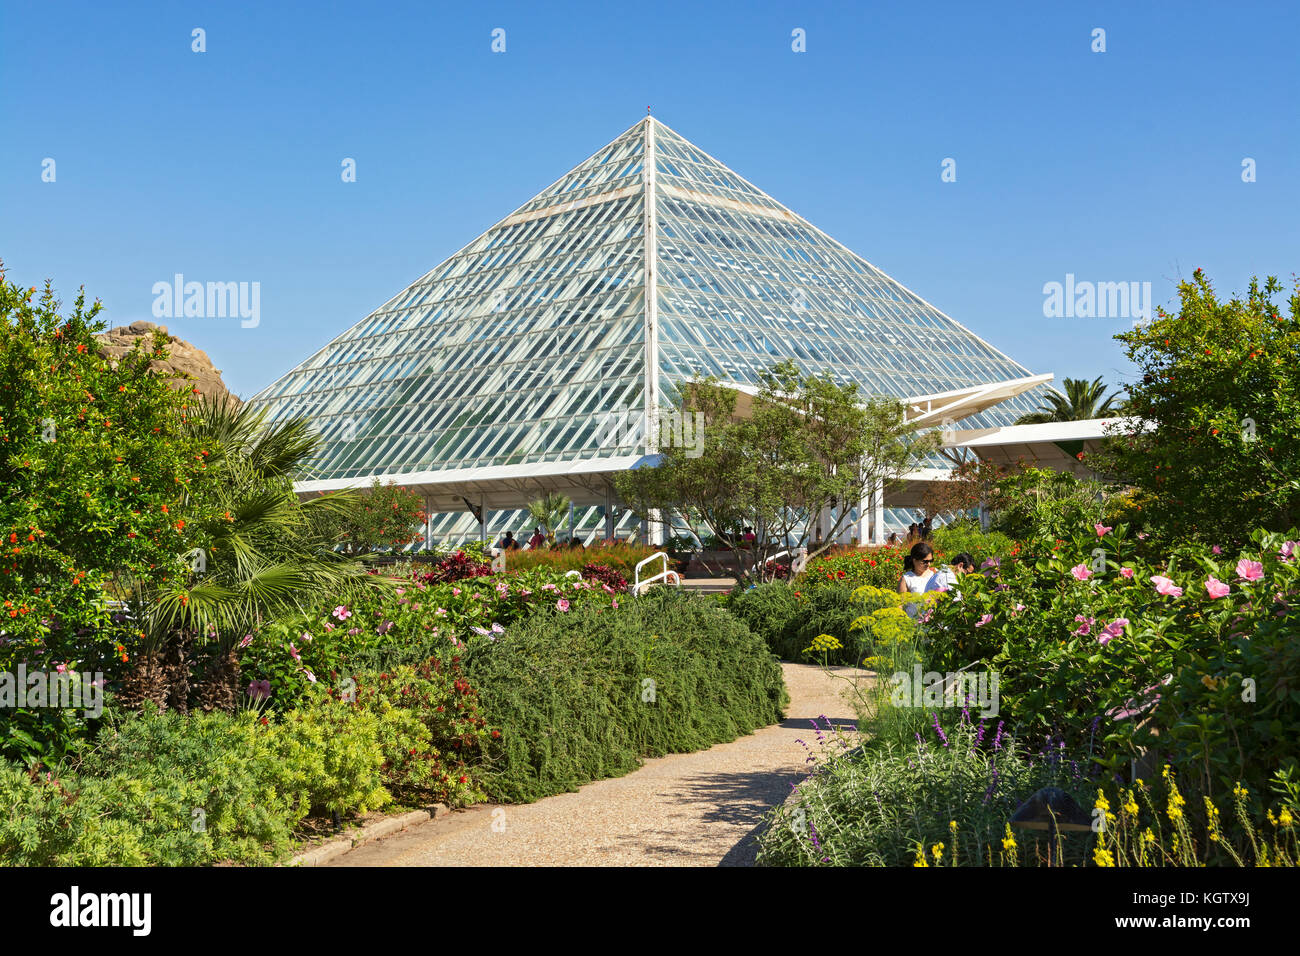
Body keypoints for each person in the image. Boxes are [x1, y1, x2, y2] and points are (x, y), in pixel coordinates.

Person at [898, 542, 936, 617]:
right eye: (925, 561)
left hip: (934, 624)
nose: (928, 564)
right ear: (914, 560)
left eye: (930, 561)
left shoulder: (934, 574)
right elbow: (900, 605)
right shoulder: (907, 578)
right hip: (914, 624)